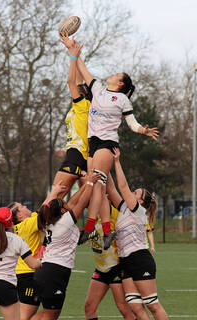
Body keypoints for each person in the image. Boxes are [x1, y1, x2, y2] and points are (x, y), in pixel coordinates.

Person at [70, 37, 159, 249]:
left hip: (107, 144)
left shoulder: (122, 100)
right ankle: (107, 230)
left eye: (117, 75)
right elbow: (82, 71)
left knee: (96, 183)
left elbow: (132, 123)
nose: (113, 74)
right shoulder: (98, 89)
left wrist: (143, 130)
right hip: (93, 143)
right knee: (96, 185)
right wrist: (74, 52)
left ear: (120, 84)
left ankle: (91, 227)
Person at [106, 148, 168, 320]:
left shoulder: (138, 209)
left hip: (140, 259)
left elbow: (122, 186)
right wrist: (103, 163)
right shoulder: (125, 207)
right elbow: (111, 189)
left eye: (136, 193)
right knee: (135, 307)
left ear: (140, 201)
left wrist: (117, 162)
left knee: (153, 305)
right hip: (126, 261)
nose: (132, 193)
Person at [31, 170, 100, 320]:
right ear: (62, 210)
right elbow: (80, 203)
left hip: (50, 271)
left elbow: (74, 202)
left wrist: (83, 186)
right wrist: (90, 182)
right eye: (64, 204)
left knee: (51, 314)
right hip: (53, 272)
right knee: (50, 315)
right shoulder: (65, 222)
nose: (68, 204)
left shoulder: (53, 221)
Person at [7, 182, 66, 320]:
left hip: (28, 274)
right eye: (21, 207)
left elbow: (42, 209)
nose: (25, 206)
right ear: (19, 216)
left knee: (42, 314)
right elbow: (44, 212)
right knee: (26, 316)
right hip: (28, 275)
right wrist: (54, 192)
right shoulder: (25, 225)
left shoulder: (27, 221)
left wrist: (54, 194)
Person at [52, 36, 92, 199]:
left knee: (53, 199)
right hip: (80, 156)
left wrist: (73, 57)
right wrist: (73, 50)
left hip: (75, 155)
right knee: (82, 202)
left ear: (83, 94)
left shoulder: (82, 106)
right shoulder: (83, 106)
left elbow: (71, 82)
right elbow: (78, 79)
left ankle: (39, 225)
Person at [84, 204, 136, 320]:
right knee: (89, 307)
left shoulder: (112, 212)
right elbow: (86, 192)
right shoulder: (95, 211)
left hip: (116, 268)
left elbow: (102, 192)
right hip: (101, 269)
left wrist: (101, 187)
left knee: (124, 308)